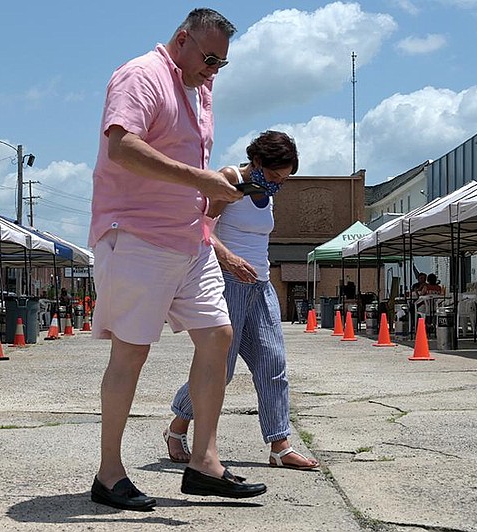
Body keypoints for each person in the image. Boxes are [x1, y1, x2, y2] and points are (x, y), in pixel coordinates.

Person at [88, 8, 265, 511]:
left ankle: (204, 462)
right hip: (137, 233)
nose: (213, 70)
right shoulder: (140, 74)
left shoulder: (200, 88)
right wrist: (199, 180)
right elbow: (122, 147)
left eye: (221, 64)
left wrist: (220, 179)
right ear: (181, 39)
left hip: (191, 237)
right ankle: (109, 474)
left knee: (218, 335)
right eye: (209, 58)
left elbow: (191, 164)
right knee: (131, 350)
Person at [166, 131, 318, 471]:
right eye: (276, 176)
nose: (279, 184)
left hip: (261, 285)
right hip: (229, 282)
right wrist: (230, 259)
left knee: (273, 362)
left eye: (285, 179)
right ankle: (178, 426)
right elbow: (202, 228)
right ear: (259, 162)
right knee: (222, 370)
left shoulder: (268, 192)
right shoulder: (229, 181)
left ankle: (279, 445)